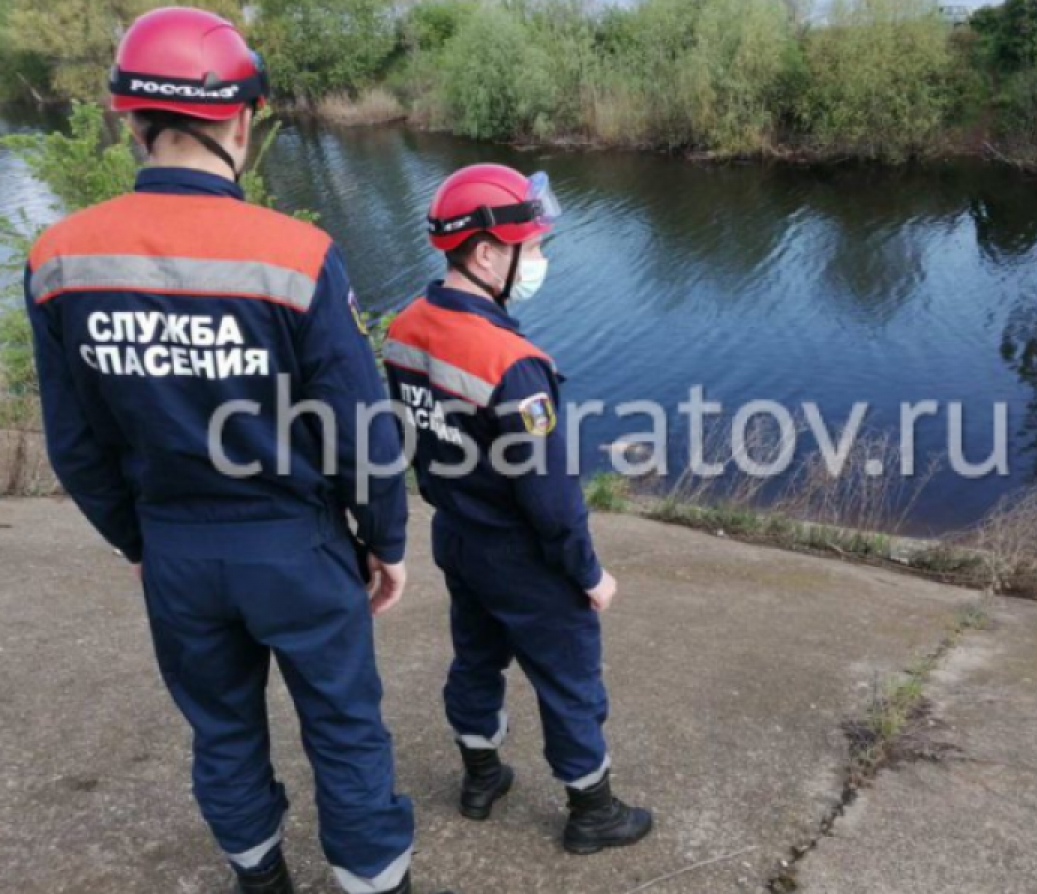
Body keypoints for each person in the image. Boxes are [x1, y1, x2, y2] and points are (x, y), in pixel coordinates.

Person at [23, 8, 449, 894]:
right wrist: (385, 539)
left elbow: (75, 443)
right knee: (344, 727)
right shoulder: (297, 255)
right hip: (295, 546)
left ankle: (259, 878)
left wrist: (140, 538)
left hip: (176, 548)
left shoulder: (58, 258)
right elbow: (359, 426)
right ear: (243, 121)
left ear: (131, 122)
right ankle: (375, 882)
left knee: (221, 730)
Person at [383, 164, 653, 855]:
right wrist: (588, 574)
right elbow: (551, 498)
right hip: (523, 555)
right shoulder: (512, 363)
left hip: (458, 538)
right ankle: (592, 812)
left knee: (476, 660)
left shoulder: (403, 329)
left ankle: (481, 778)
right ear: (485, 254)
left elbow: (411, 438)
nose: (539, 259)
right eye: (530, 247)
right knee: (569, 681)